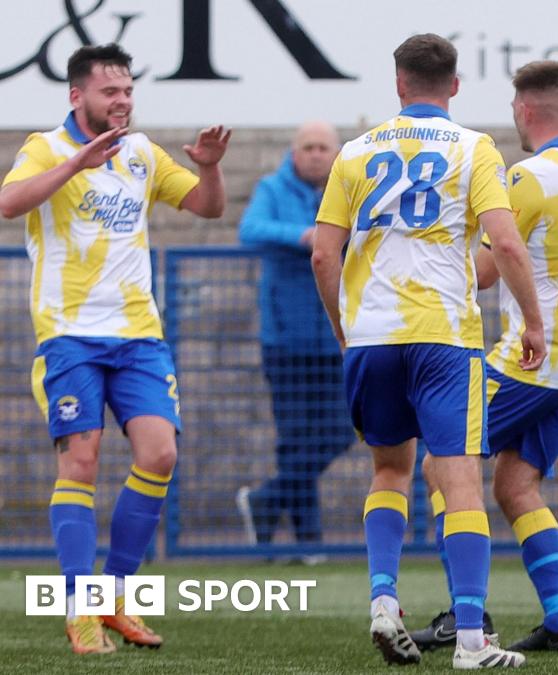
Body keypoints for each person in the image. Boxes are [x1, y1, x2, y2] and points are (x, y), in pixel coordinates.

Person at [310, 33, 545, 670]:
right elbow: (508, 245)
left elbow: (322, 253)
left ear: (398, 84)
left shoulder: (356, 152)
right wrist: (532, 322)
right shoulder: (475, 148)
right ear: (456, 86)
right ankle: (472, 641)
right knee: (460, 480)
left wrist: (344, 327)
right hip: (445, 338)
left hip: (374, 336)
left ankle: (384, 600)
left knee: (390, 471)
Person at [0, 43, 229, 654]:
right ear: (78, 96)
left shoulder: (142, 152)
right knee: (82, 461)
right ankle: (78, 612)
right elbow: (7, 204)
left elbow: (209, 208)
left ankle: (114, 598)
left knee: (159, 455)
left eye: (128, 91)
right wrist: (75, 166)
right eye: (110, 92)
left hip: (139, 338)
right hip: (69, 335)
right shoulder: (45, 149)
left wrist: (208, 167)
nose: (123, 101)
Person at [411, 60, 558, 654]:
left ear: (524, 110)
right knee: (515, 484)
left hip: (529, 361)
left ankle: (462, 612)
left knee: (439, 465)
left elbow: (483, 269)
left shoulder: (527, 177)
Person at [236, 121, 354, 558]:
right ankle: (308, 542)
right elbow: (250, 230)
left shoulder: (347, 185)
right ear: (294, 152)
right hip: (285, 338)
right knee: (294, 439)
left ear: (336, 152)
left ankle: (265, 501)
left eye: (324, 147)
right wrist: (304, 236)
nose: (317, 154)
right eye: (309, 147)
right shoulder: (273, 187)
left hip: (336, 334)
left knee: (342, 430)